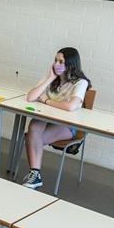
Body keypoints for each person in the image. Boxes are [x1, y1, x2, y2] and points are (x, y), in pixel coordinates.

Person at [19, 47, 90, 190]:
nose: (56, 64)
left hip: (68, 126)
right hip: (48, 120)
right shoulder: (52, 77)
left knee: (31, 138)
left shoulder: (80, 82)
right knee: (34, 126)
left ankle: (34, 175)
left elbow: (70, 106)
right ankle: (35, 174)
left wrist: (46, 101)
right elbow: (31, 97)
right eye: (56, 60)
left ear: (71, 64)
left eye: (61, 62)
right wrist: (50, 78)